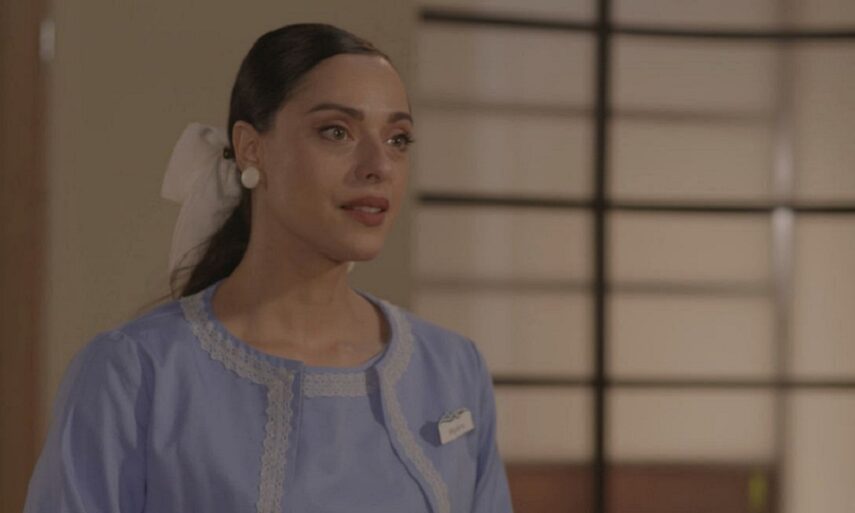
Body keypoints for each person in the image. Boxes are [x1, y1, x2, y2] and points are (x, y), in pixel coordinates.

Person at [23, 23, 513, 513]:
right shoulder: (135, 374)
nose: (379, 165)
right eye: (337, 132)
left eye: (398, 139)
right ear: (251, 148)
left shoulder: (452, 369)